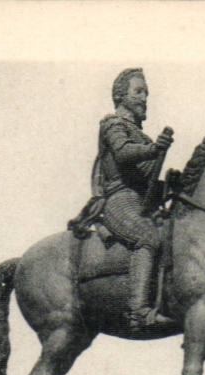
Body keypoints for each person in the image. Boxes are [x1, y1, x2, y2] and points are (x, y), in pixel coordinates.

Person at [82, 67, 174, 327]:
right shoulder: (113, 125)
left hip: (141, 201)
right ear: (121, 96)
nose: (144, 98)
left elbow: (144, 180)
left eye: (146, 93)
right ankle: (138, 312)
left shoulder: (141, 136)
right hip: (119, 200)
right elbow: (123, 153)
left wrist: (172, 185)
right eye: (139, 92)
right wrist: (153, 149)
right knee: (147, 237)